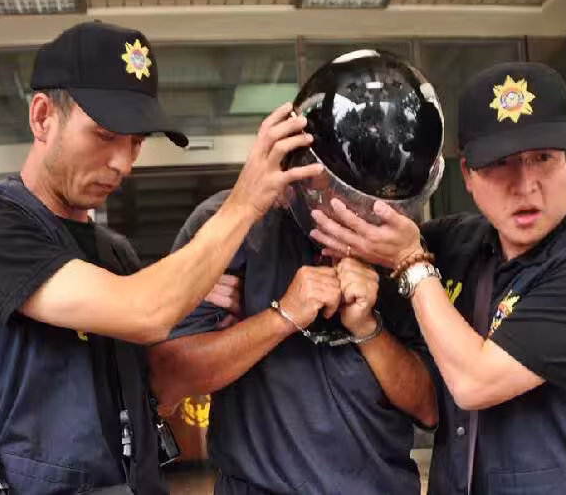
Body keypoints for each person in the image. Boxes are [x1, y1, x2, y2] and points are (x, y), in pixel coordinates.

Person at [0, 21, 321, 494]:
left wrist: (238, 321)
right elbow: (145, 312)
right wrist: (244, 203)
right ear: (42, 117)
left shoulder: (116, 254)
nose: (123, 162)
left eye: (136, 142)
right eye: (104, 135)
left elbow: (159, 389)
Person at [309, 62, 566, 494]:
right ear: (467, 174)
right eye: (501, 163)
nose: (525, 185)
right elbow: (356, 241)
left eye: (543, 158)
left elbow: (474, 383)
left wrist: (412, 262)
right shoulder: (458, 246)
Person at [148, 50, 443, 495]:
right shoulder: (233, 226)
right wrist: (280, 317)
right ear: (302, 167)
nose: (363, 217)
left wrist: (369, 329)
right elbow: (167, 377)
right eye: (347, 199)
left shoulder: (403, 249)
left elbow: (429, 408)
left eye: (379, 206)